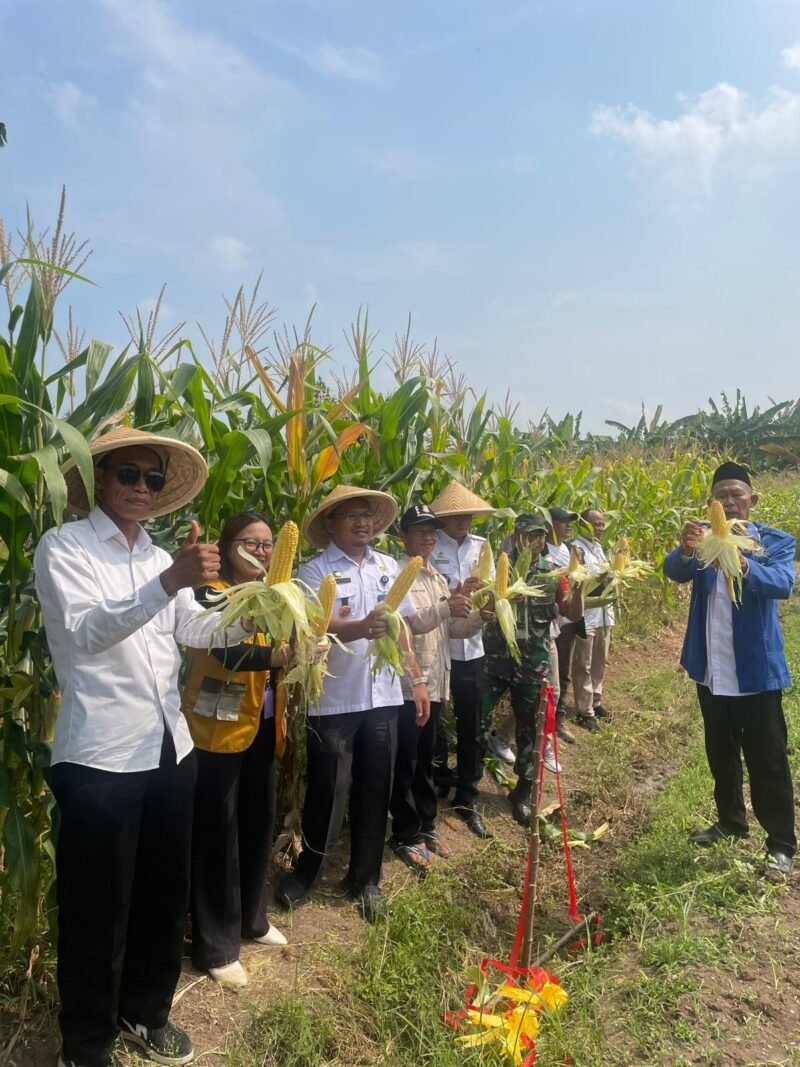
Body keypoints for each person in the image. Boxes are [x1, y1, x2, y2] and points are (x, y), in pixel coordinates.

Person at [34, 427, 252, 1067]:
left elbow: (190, 625)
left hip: (170, 748)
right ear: (99, 479)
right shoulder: (65, 547)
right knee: (97, 905)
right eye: (128, 474)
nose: (140, 488)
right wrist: (168, 582)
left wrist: (255, 607)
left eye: (153, 479)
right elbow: (86, 632)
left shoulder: (159, 557)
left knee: (163, 891)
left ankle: (145, 1011)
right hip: (100, 755)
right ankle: (86, 1041)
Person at [275, 486, 432, 923]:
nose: (362, 523)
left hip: (383, 696)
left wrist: (415, 679)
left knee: (374, 789)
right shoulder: (312, 571)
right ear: (330, 524)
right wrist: (359, 628)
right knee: (328, 790)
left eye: (367, 515)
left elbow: (400, 628)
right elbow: (316, 626)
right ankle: (308, 872)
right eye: (351, 517)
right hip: (334, 700)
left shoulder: (388, 566)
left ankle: (366, 880)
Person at [663, 461, 796, 876]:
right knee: (721, 754)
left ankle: (780, 844)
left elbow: (783, 583)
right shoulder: (702, 537)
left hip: (755, 671)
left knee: (767, 759)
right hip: (712, 668)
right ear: (712, 502)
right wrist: (687, 550)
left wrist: (741, 563)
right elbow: (675, 571)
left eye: (736, 494)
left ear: (752, 500)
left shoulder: (773, 541)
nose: (729, 501)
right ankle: (731, 823)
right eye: (721, 495)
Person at [182, 512, 289, 991]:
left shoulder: (275, 595)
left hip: (260, 724)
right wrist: (279, 656)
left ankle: (252, 918)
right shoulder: (211, 591)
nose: (261, 552)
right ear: (227, 547)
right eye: (251, 542)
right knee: (217, 834)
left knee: (258, 820)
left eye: (267, 544)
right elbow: (226, 651)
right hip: (214, 730)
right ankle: (216, 946)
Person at [389, 504, 484, 875]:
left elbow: (452, 631)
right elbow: (410, 625)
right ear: (404, 536)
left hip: (437, 681)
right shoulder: (397, 575)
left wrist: (479, 616)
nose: (428, 537)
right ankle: (405, 833)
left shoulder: (436, 578)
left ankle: (427, 825)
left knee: (427, 758)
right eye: (419, 531)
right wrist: (447, 607)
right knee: (408, 761)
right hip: (411, 683)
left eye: (432, 531)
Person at [480, 515, 584, 827]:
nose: (536, 541)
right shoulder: (498, 567)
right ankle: (467, 785)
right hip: (495, 658)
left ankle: (523, 792)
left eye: (541, 536)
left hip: (533, 660)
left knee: (531, 729)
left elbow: (572, 612)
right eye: (530, 535)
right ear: (517, 535)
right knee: (475, 717)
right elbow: (483, 609)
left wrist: (579, 591)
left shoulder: (554, 574)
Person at [429, 481, 496, 838]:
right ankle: (440, 781)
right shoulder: (427, 547)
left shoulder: (483, 547)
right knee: (436, 724)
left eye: (467, 514)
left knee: (472, 724)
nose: (463, 520)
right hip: (437, 649)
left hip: (472, 651)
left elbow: (496, 594)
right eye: (456, 515)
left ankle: (468, 795)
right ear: (444, 517)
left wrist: (488, 603)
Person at [571, 508, 614, 733]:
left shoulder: (598, 548)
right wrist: (602, 578)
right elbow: (577, 582)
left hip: (605, 614)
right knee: (584, 664)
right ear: (583, 525)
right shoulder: (577, 549)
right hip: (587, 615)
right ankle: (584, 710)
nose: (600, 528)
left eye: (601, 524)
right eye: (595, 524)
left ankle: (596, 701)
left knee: (600, 660)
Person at [547, 506, 580, 744]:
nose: (568, 525)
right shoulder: (543, 549)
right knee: (546, 679)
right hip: (548, 621)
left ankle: (558, 721)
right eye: (563, 521)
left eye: (570, 522)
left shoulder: (570, 550)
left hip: (568, 619)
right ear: (551, 524)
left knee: (563, 673)